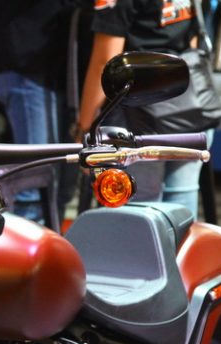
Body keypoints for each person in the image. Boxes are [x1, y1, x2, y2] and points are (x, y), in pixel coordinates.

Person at [76, 0, 208, 216]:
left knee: (135, 210)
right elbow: (193, 39)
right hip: (188, 103)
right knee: (181, 206)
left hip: (138, 114)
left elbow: (105, 61)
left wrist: (84, 128)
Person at [0, 0, 81, 221]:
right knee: (34, 190)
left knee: (59, 189)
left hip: (58, 67)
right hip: (26, 62)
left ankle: (50, 243)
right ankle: (28, 243)